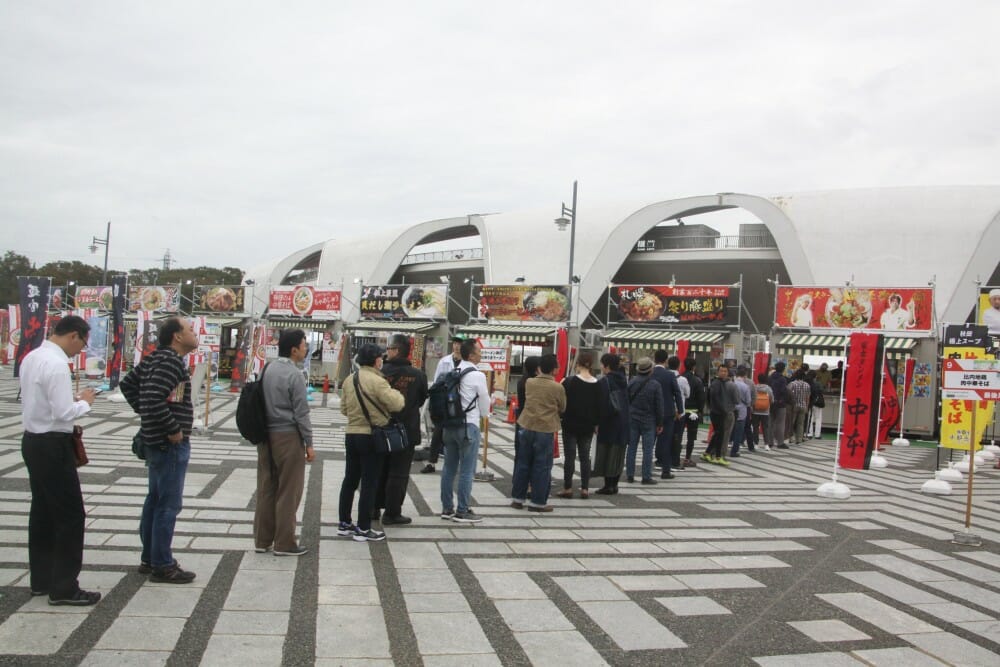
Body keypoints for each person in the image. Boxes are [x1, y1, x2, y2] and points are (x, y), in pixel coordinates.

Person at [19, 315, 100, 605]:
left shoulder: (32, 357)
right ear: (74, 335)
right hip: (53, 444)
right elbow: (64, 413)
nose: (81, 350)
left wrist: (70, 400)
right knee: (70, 515)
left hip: (33, 440)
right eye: (83, 343)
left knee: (42, 511)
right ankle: (64, 586)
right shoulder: (55, 364)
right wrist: (85, 403)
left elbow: (42, 400)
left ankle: (42, 579)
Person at [120, 316, 199, 583]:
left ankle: (150, 557)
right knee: (168, 504)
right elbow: (153, 396)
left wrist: (148, 416)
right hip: (169, 444)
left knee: (154, 500)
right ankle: (163, 564)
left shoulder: (155, 358)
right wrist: (171, 427)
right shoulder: (170, 361)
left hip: (155, 440)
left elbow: (128, 385)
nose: (194, 333)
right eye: (189, 330)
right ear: (177, 336)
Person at [254, 329, 315, 556]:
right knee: (289, 490)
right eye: (304, 344)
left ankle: (262, 540)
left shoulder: (267, 369)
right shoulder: (294, 374)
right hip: (288, 437)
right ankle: (285, 542)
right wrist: (309, 443)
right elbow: (301, 413)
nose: (306, 348)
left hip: (265, 436)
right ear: (294, 349)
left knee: (267, 487)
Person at [339, 344, 404, 542]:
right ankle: (364, 527)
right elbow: (397, 403)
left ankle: (344, 523)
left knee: (350, 479)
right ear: (376, 360)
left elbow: (344, 409)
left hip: (352, 434)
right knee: (369, 482)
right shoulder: (378, 381)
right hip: (371, 436)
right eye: (380, 358)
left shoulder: (350, 380)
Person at [376, 334, 428, 525]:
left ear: (397, 350)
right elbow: (422, 399)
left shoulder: (380, 373)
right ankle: (392, 512)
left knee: (378, 470)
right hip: (407, 430)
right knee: (399, 473)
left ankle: (373, 507)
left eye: (389, 348)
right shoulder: (419, 375)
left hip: (380, 428)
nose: (386, 351)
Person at [441, 339, 491, 521]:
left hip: (450, 426)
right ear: (471, 355)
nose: (481, 354)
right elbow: (484, 402)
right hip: (468, 425)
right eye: (479, 351)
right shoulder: (477, 375)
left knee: (448, 468)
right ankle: (462, 510)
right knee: (467, 470)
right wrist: (485, 417)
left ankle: (447, 509)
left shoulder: (453, 371)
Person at [511, 353, 566, 511]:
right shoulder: (558, 387)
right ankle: (537, 502)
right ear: (555, 370)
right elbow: (563, 407)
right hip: (545, 428)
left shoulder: (529, 382)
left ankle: (517, 499)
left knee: (523, 463)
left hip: (526, 425)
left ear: (540, 368)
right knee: (542, 465)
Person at [557, 351, 600, 499]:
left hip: (570, 424)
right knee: (584, 457)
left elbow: (561, 403)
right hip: (588, 426)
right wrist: (596, 423)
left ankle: (568, 488)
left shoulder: (568, 381)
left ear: (578, 364)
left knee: (570, 456)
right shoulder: (597, 383)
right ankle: (585, 488)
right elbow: (598, 407)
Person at [420, 336, 464, 474]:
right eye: (455, 343)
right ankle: (431, 463)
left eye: (459, 344)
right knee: (438, 432)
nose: (456, 346)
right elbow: (436, 382)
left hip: (459, 403)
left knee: (459, 433)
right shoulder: (444, 361)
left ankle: (459, 463)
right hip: (445, 402)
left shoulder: (467, 363)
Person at [624, 357, 664, 484]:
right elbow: (659, 405)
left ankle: (630, 474)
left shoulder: (631, 382)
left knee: (631, 448)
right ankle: (646, 476)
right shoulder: (655, 385)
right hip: (649, 420)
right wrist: (660, 422)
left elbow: (626, 401)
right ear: (650, 370)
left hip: (633, 418)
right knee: (647, 450)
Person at [593, 353, 629, 494]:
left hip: (609, 421)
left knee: (607, 453)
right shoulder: (624, 380)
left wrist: (596, 422)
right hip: (623, 421)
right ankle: (615, 485)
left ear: (606, 366)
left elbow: (601, 404)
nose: (601, 366)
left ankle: (608, 486)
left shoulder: (604, 381)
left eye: (602, 364)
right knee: (618, 453)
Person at [651, 350, 684, 479]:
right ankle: (666, 470)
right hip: (668, 412)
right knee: (666, 441)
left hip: (652, 412)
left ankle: (646, 470)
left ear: (654, 359)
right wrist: (680, 410)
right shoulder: (670, 375)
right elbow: (677, 393)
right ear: (665, 360)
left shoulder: (650, 373)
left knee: (650, 442)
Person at [705, 365, 739, 465]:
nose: (723, 373)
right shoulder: (721, 384)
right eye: (721, 371)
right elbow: (736, 400)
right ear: (717, 372)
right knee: (723, 434)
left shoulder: (719, 383)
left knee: (718, 434)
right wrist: (722, 409)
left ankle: (709, 452)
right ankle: (719, 455)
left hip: (719, 411)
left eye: (725, 371)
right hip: (721, 412)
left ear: (728, 373)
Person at [680, 357, 704, 468]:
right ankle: (687, 458)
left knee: (678, 435)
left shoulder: (679, 378)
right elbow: (701, 398)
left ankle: (675, 456)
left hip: (681, 411)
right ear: (694, 367)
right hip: (693, 411)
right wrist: (700, 410)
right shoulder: (697, 380)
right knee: (691, 437)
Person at [729, 366, 752, 457]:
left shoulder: (731, 384)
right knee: (739, 432)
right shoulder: (746, 386)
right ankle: (734, 451)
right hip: (741, 411)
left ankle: (721, 449)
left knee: (728, 430)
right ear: (745, 376)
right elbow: (748, 401)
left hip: (731, 409)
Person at [768, 362, 790, 450]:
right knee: (780, 423)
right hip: (780, 404)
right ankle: (780, 442)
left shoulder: (770, 378)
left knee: (770, 423)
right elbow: (783, 391)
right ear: (783, 369)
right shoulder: (783, 379)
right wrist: (783, 400)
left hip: (770, 403)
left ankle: (769, 442)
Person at [751, 373, 773, 452]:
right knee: (765, 428)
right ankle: (766, 444)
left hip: (755, 411)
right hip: (765, 412)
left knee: (755, 427)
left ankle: (755, 444)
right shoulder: (768, 389)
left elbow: (752, 398)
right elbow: (772, 400)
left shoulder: (755, 387)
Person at [787, 370, 811, 445]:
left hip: (794, 406)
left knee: (791, 422)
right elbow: (808, 397)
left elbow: (788, 394)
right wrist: (807, 406)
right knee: (800, 424)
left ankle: (790, 438)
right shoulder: (807, 385)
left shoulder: (792, 384)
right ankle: (799, 439)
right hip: (803, 406)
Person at [806, 369, 825, 439]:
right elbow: (822, 390)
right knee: (818, 418)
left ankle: (809, 433)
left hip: (810, 403)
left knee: (810, 419)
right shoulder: (818, 383)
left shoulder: (807, 383)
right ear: (815, 376)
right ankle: (817, 435)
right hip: (818, 403)